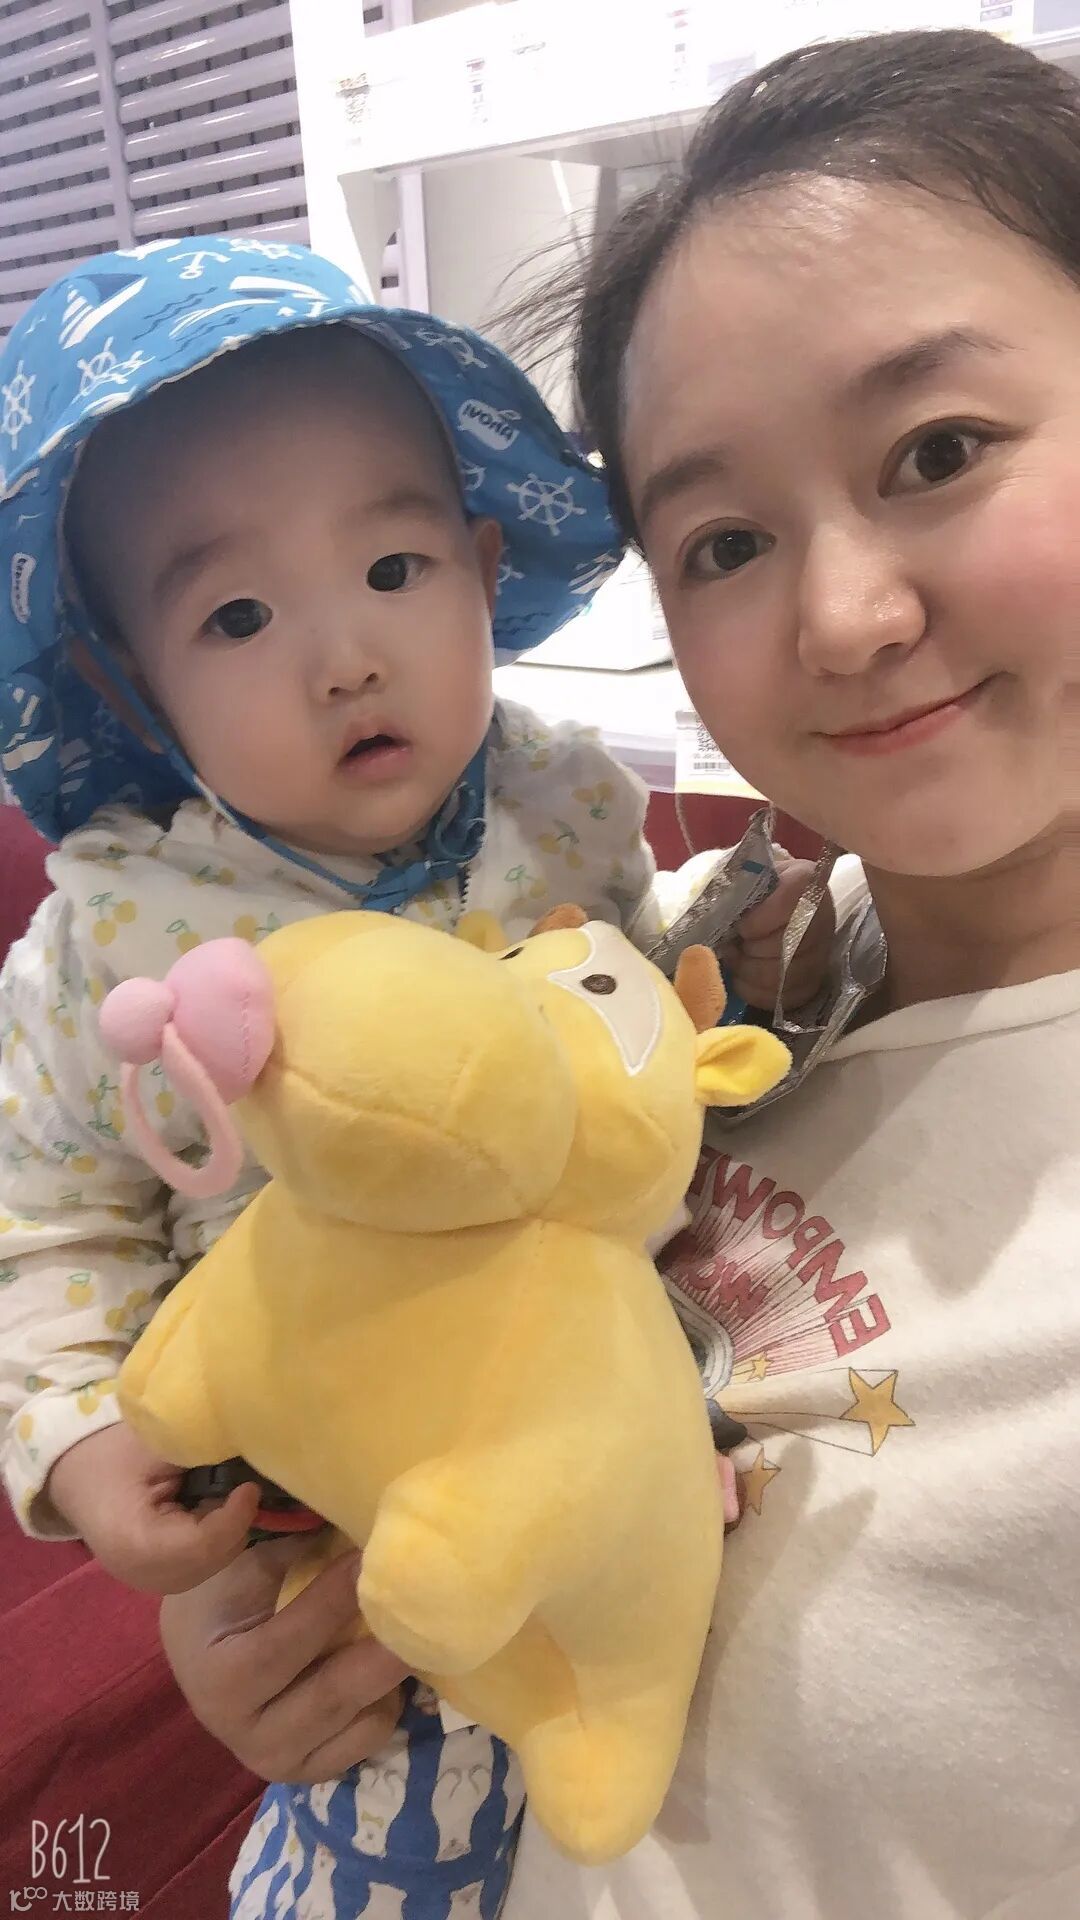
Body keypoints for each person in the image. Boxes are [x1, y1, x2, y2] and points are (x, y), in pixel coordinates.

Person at [162, 26, 1078, 1918]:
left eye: (940, 451)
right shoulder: (694, 980)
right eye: (726, 540)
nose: (847, 617)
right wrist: (278, 1597)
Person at [0, 240, 827, 1920]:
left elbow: (630, 1041)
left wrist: (723, 971)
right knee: (383, 1821)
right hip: (324, 1498)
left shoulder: (566, 809)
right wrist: (83, 1446)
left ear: (482, 563)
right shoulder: (109, 941)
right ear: (128, 683)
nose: (344, 658)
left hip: (595, 1404)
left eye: (393, 567)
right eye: (236, 616)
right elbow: (46, 1228)